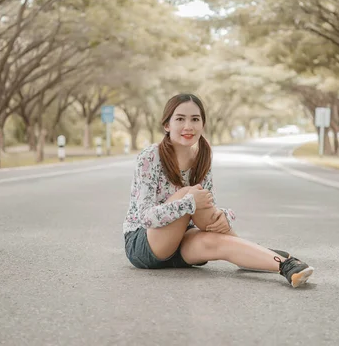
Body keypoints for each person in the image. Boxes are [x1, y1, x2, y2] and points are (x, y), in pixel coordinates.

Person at [123, 93, 314, 287]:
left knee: (216, 241)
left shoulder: (202, 156)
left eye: (195, 119)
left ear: (203, 124)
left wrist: (223, 215)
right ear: (167, 125)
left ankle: (286, 266)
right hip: (145, 243)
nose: (188, 126)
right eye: (180, 119)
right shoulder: (150, 157)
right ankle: (257, 251)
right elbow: (146, 217)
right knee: (190, 193)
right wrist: (189, 202)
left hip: (182, 241)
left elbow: (207, 209)